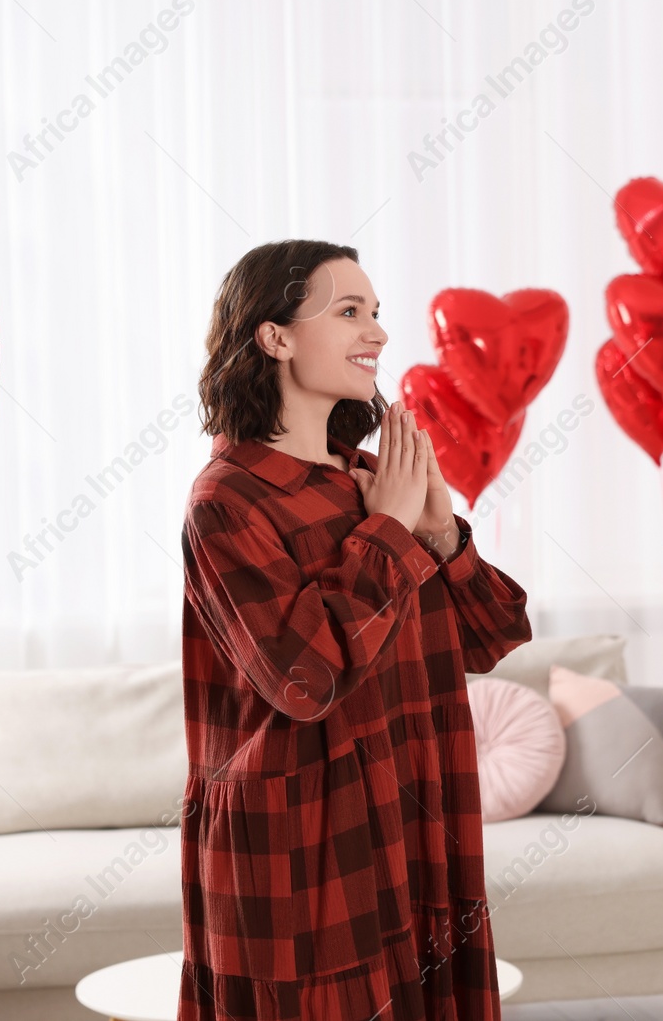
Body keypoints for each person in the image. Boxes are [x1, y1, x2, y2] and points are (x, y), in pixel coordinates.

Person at [177, 239, 532, 1021]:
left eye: (376, 314)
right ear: (275, 336)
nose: (375, 332)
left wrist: (439, 534)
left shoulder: (376, 481)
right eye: (348, 312)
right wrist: (393, 532)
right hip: (306, 862)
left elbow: (495, 634)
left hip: (414, 839)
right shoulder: (226, 504)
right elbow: (305, 677)